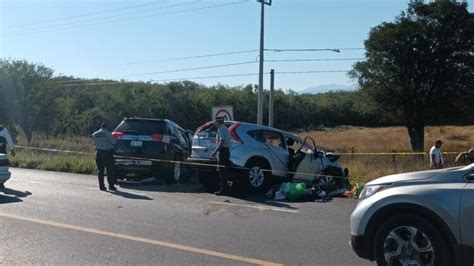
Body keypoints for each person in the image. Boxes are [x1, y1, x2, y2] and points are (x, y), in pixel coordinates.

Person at [92, 123, 117, 191]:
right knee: (109, 169)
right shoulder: (108, 133)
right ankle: (111, 186)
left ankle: (101, 186)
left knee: (100, 170)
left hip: (98, 153)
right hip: (106, 152)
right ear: (106, 127)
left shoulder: (94, 134)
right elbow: (114, 141)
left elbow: (94, 143)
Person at [211, 117, 232, 195]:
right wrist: (215, 141)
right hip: (227, 151)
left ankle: (223, 190)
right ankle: (226, 189)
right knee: (225, 171)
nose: (214, 123)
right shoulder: (226, 129)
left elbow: (222, 141)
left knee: (222, 172)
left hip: (223, 151)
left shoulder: (220, 129)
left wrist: (215, 151)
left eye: (215, 122)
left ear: (218, 122)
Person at [0, 124, 15, 189]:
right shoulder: (4, 130)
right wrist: (12, 149)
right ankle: (1, 183)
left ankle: (1, 183)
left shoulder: (4, 130)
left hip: (1, 150)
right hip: (2, 150)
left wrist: (12, 149)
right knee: (2, 166)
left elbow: (9, 139)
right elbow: (9, 139)